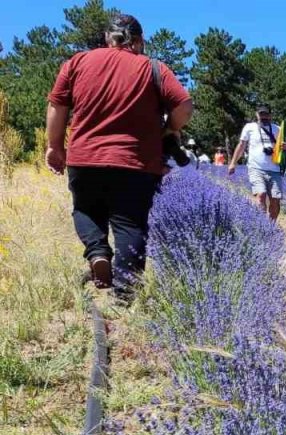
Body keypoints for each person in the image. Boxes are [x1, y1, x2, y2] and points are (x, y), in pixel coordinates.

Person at [45, 13, 193, 295]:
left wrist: (55, 146)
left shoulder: (77, 62)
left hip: (85, 157)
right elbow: (184, 106)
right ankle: (125, 293)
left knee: (86, 209)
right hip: (135, 163)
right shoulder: (154, 68)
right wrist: (171, 129)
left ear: (106, 39)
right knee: (130, 223)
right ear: (139, 41)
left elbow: (57, 106)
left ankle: (98, 252)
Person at [228, 105, 283, 221]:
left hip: (274, 169)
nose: (263, 117)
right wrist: (233, 163)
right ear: (257, 114)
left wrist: (285, 148)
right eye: (261, 114)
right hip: (256, 168)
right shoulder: (250, 127)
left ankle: (271, 225)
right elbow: (241, 145)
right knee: (261, 194)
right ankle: (262, 224)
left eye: (266, 114)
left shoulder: (277, 129)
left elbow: (281, 148)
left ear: (270, 115)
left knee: (275, 199)